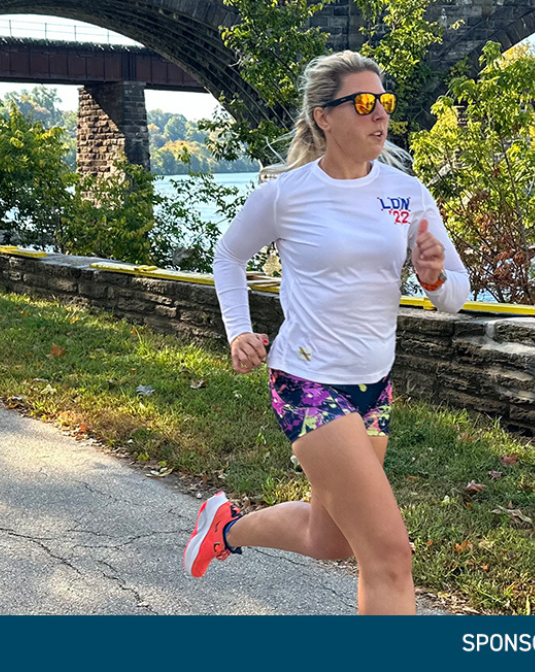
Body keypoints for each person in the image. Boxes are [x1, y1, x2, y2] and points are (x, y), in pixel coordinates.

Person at [183, 50, 468, 615]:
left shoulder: (405, 193)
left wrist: (434, 277)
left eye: (383, 101)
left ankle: (226, 529)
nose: (379, 114)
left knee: (332, 540)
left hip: (373, 384)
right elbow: (229, 256)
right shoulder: (285, 194)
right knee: (389, 555)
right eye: (363, 103)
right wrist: (239, 330)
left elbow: (454, 297)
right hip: (307, 380)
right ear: (323, 117)